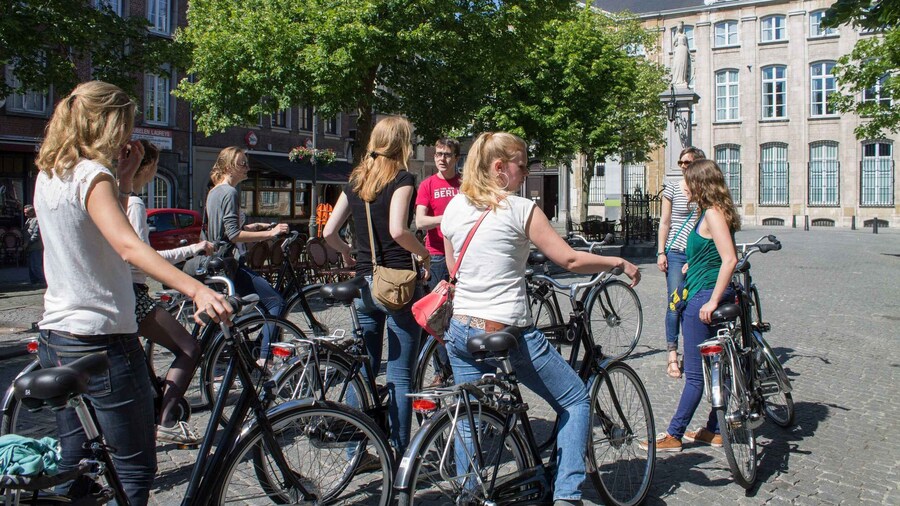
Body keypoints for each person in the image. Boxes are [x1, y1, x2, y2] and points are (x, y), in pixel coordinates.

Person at [32, 80, 232, 506]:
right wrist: (195, 288)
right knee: (133, 471)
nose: (128, 135)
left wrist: (123, 181)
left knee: (80, 465)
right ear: (108, 123)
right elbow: (128, 246)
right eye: (126, 124)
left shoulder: (51, 173)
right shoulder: (91, 174)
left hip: (58, 335)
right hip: (102, 338)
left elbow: (95, 238)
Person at [440, 131, 641, 505]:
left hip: (460, 327)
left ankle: (470, 494)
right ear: (499, 168)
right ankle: (567, 496)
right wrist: (616, 261)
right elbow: (569, 259)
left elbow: (455, 267)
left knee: (469, 416)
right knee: (576, 400)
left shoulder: (455, 207)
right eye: (522, 164)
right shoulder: (519, 209)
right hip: (505, 328)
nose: (526, 171)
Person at [323, 116, 430, 454]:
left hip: (363, 286)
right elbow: (399, 230)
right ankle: (399, 452)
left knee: (363, 367)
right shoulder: (402, 178)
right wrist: (424, 254)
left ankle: (357, 451)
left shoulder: (356, 179)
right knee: (399, 372)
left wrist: (348, 254)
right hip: (396, 285)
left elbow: (328, 232)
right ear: (402, 143)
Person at [643, 159, 740, 453]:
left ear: (701, 184)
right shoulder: (710, 212)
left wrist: (711, 300)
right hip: (702, 286)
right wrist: (689, 266)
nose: (685, 189)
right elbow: (709, 253)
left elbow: (729, 259)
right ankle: (713, 429)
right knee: (717, 368)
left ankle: (675, 433)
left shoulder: (711, 213)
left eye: (689, 183)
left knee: (696, 375)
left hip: (704, 296)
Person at [125, 140, 214, 444]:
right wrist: (193, 249)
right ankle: (166, 421)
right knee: (189, 348)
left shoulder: (110, 196)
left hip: (112, 294)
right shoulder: (133, 202)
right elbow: (142, 258)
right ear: (147, 167)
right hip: (132, 295)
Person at [204, 147, 289, 366]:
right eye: (243, 164)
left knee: (252, 309)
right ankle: (264, 358)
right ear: (229, 166)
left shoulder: (214, 192)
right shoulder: (230, 192)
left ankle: (247, 352)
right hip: (231, 262)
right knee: (275, 302)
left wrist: (255, 226)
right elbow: (233, 235)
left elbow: (223, 231)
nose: (247, 168)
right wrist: (270, 233)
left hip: (218, 262)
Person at [415, 137, 461, 386]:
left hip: (464, 256)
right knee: (438, 314)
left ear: (456, 158)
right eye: (438, 154)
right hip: (437, 256)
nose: (442, 159)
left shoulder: (465, 184)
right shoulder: (427, 185)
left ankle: (462, 363)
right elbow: (420, 222)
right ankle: (440, 371)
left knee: (463, 312)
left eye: (447, 155)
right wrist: (450, 216)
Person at [657, 146, 705, 379]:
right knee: (675, 302)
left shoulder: (704, 190)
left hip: (697, 255)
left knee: (694, 303)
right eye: (681, 163)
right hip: (675, 252)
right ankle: (672, 354)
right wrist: (660, 252)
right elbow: (664, 222)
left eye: (688, 163)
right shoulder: (673, 189)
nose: (684, 167)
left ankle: (692, 352)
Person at [23, 204, 45, 286]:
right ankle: (34, 281)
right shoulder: (28, 220)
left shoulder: (37, 220)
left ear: (33, 211)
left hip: (35, 246)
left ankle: (41, 280)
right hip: (29, 246)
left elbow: (36, 234)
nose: (25, 215)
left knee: (36, 264)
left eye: (27, 213)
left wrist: (28, 243)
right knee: (31, 265)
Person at [672, 21, 690, 88]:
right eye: (679, 26)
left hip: (684, 50)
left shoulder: (684, 36)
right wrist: (675, 43)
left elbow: (687, 46)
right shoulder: (676, 35)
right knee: (677, 65)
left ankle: (682, 80)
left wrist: (690, 54)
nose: (680, 27)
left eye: (681, 26)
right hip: (678, 50)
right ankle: (677, 80)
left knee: (683, 65)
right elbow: (674, 43)